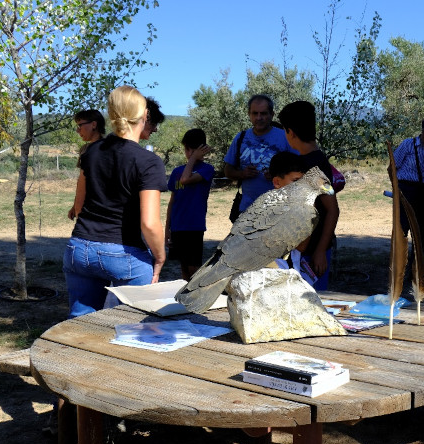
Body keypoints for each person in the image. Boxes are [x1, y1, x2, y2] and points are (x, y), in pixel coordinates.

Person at [62, 85, 167, 318]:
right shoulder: (149, 161)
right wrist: (159, 257)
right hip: (124, 253)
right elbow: (149, 224)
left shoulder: (90, 152)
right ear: (144, 116)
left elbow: (79, 207)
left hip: (79, 247)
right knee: (134, 324)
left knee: (80, 323)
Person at [277, 100, 340, 291]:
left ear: (290, 132)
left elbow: (332, 209)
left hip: (313, 253)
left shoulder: (313, 167)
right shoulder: (311, 161)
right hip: (303, 250)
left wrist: (320, 250)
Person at [224, 95, 295, 214]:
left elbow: (301, 170)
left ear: (272, 114)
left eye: (263, 113)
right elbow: (227, 170)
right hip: (247, 211)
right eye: (255, 113)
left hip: (279, 210)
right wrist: (242, 174)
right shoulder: (240, 138)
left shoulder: (286, 137)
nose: (259, 117)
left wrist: (278, 175)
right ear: (249, 114)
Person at [165, 129, 215, 281]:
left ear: (202, 150)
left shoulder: (207, 169)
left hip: (194, 226)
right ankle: (185, 300)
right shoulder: (176, 171)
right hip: (178, 226)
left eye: (193, 150)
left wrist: (193, 159)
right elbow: (172, 201)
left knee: (194, 268)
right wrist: (167, 228)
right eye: (188, 150)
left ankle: (197, 298)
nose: (189, 153)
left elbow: (186, 180)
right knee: (184, 266)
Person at [392, 115, 424, 252]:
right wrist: (396, 188)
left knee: (421, 228)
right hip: (405, 189)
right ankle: (399, 261)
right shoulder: (408, 144)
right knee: (402, 226)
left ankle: (416, 261)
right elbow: (392, 167)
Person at [68, 109, 106, 220]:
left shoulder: (107, 149)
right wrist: (75, 206)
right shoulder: (85, 149)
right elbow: (82, 181)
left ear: (94, 124)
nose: (78, 130)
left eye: (80, 125)